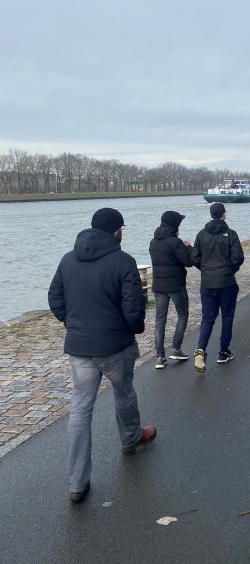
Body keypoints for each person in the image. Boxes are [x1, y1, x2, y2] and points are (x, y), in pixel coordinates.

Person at [48, 208, 156, 504]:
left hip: (80, 348)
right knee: (123, 392)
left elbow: (54, 298)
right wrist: (135, 327)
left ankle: (76, 483)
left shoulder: (68, 260)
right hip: (115, 346)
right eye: (122, 227)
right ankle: (131, 438)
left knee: (81, 409)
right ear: (115, 231)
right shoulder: (123, 262)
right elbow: (134, 308)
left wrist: (72, 324)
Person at [191, 202, 245, 371]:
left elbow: (195, 257)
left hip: (208, 283)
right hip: (227, 282)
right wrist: (229, 270)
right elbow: (238, 257)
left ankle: (201, 349)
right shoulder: (230, 234)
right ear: (223, 214)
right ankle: (223, 352)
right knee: (227, 316)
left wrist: (206, 269)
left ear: (211, 214)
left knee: (207, 318)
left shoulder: (201, 235)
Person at [149, 210, 193, 369]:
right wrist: (188, 247)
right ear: (175, 225)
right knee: (183, 313)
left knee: (160, 320)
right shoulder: (175, 242)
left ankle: (160, 357)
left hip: (158, 286)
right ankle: (176, 348)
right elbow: (188, 261)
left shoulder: (153, 242)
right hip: (175, 285)